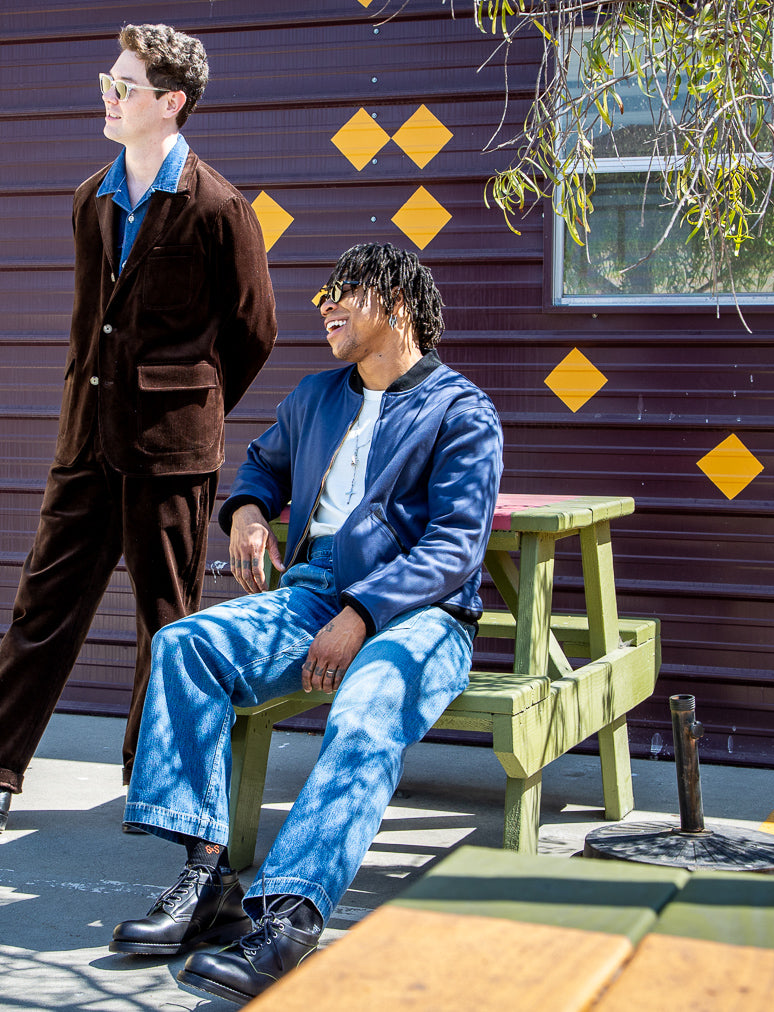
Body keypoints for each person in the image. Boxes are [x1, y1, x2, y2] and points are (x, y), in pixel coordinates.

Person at [0, 24, 276, 833]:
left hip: (169, 451)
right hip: (84, 441)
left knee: (166, 623)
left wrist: (188, 405)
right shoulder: (89, 199)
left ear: (169, 102)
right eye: (108, 81)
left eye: (123, 86)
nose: (108, 96)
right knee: (42, 607)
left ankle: (154, 785)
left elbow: (254, 331)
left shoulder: (218, 207)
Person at [112, 242, 503, 1004]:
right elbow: (263, 465)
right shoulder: (315, 396)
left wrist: (363, 612)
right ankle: (208, 877)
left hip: (423, 617)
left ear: (396, 304)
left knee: (365, 710)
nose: (326, 305)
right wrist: (248, 512)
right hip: (312, 595)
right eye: (324, 293)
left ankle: (288, 914)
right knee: (185, 644)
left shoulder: (461, 411)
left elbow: (456, 545)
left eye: (345, 291)